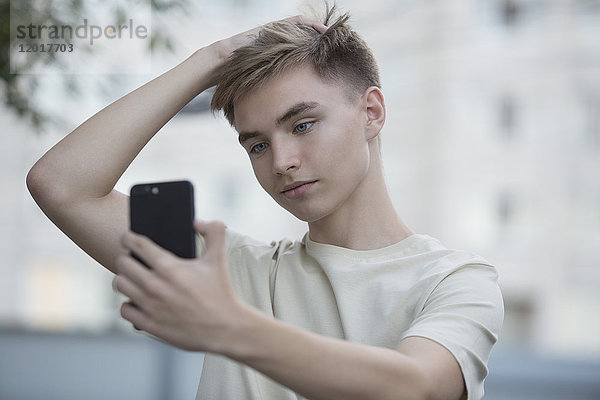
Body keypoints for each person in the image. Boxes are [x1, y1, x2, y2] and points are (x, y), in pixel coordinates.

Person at [27, 4, 503, 400]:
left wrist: (229, 327)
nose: (281, 161)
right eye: (256, 144)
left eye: (302, 124)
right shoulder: (233, 272)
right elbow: (61, 185)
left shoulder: (455, 281)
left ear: (371, 112)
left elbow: (414, 388)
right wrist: (213, 58)